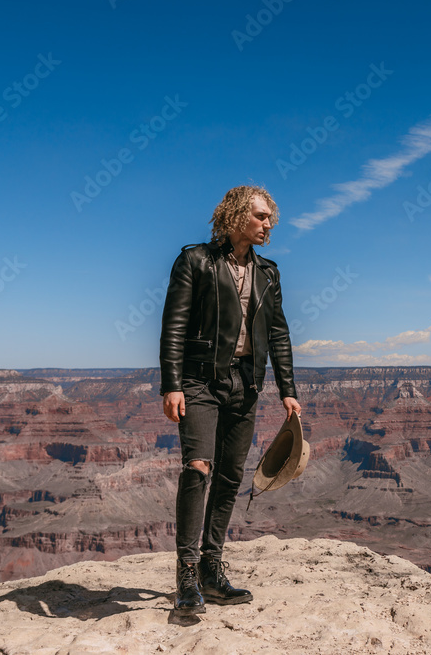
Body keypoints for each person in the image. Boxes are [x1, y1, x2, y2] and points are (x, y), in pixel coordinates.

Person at [159, 185, 300, 614]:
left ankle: (211, 569)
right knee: (198, 467)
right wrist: (172, 384)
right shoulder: (195, 261)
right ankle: (186, 573)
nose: (268, 225)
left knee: (230, 476)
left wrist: (289, 390)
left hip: (246, 383)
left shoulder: (269, 273)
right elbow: (174, 325)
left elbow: (278, 333)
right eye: (261, 217)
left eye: (270, 218)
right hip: (200, 381)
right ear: (237, 215)